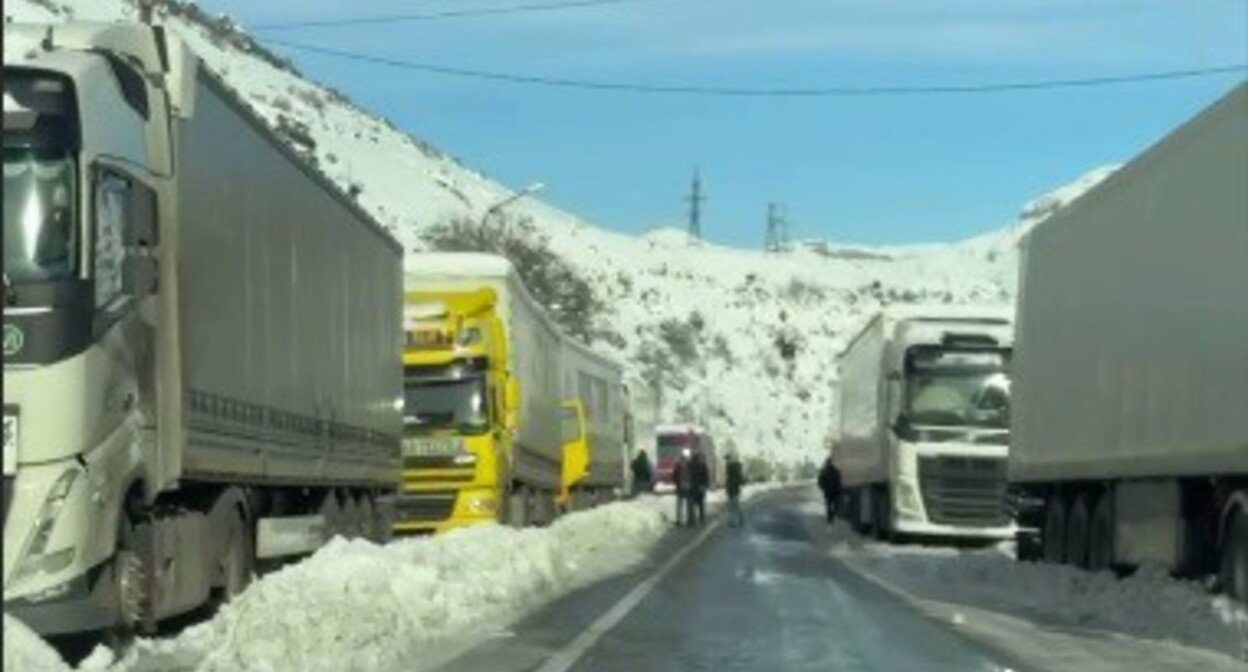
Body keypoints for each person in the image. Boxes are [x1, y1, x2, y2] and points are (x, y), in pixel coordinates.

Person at [817, 454, 842, 525]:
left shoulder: (824, 471)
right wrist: (838, 489)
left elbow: (820, 482)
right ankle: (832, 515)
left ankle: (830, 517)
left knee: (829, 505)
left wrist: (823, 488)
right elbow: (839, 481)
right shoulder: (836, 471)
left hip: (828, 492)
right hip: (834, 491)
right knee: (834, 504)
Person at [689, 450, 711, 526]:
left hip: (695, 487)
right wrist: (705, 485)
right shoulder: (701, 465)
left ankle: (695, 519)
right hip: (699, 487)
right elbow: (706, 477)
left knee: (695, 503)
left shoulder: (693, 465)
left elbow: (705, 476)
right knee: (700, 503)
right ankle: (700, 518)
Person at [725, 451, 745, 528]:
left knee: (733, 506)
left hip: (732, 488)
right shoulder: (737, 466)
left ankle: (734, 521)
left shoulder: (731, 466)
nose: (727, 461)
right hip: (734, 488)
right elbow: (739, 479)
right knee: (735, 506)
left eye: (728, 459)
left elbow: (732, 478)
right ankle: (740, 519)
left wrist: (730, 486)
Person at [673, 449, 692, 526]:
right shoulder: (689, 466)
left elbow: (674, 477)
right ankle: (687, 520)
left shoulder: (678, 466)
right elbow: (674, 476)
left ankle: (680, 520)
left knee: (680, 505)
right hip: (685, 487)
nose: (683, 460)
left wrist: (677, 482)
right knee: (686, 505)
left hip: (683, 487)